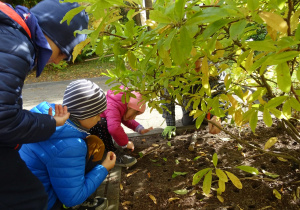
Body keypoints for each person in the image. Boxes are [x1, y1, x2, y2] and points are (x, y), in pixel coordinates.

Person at [0, 0, 89, 209]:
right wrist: (50, 123)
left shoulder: (7, 34)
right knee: (29, 198)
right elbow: (4, 119)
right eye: (64, 53)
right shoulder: (17, 46)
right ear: (55, 35)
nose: (59, 61)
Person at [19, 79, 116, 210]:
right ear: (84, 114)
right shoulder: (71, 146)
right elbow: (72, 198)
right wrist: (104, 168)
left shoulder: (43, 112)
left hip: (18, 191)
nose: (99, 119)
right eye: (97, 115)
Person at [89, 86, 153, 167]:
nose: (134, 117)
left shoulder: (121, 104)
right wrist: (125, 143)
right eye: (135, 113)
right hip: (90, 129)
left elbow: (127, 118)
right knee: (103, 123)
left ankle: (107, 146)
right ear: (130, 107)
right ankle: (111, 154)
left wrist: (140, 129)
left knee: (105, 124)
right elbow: (114, 129)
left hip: (94, 127)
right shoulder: (113, 106)